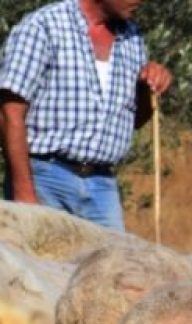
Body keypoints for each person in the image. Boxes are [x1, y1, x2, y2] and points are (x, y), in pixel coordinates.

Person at [0, 0, 171, 230]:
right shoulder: (43, 26)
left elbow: (134, 121)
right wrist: (24, 192)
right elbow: (9, 112)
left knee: (117, 264)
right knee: (45, 262)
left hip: (103, 186)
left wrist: (148, 86)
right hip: (45, 177)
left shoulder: (133, 38)